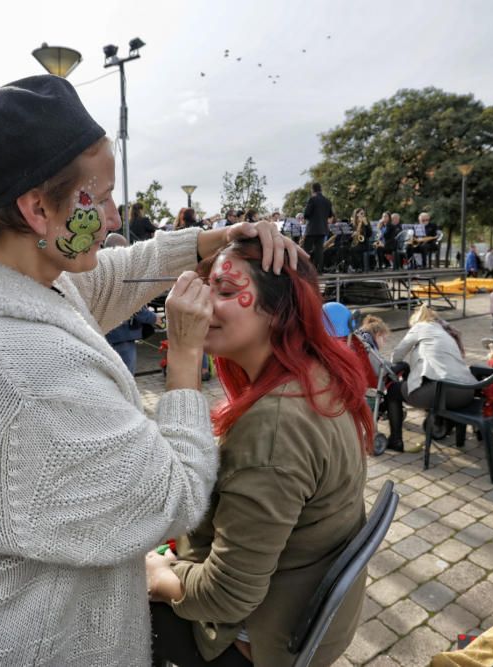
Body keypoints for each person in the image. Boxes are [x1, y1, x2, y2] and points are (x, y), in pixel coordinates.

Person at [0, 75, 303, 666]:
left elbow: (112, 272)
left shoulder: (15, 278)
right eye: (98, 198)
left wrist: (217, 238)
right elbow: (172, 496)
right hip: (2, 647)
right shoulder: (23, 373)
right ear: (37, 208)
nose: (111, 216)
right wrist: (183, 359)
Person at [146, 237, 370, 666]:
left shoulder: (275, 425)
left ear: (280, 313)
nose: (204, 303)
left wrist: (158, 576)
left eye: (226, 292)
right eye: (206, 286)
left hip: (256, 641)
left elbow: (225, 596)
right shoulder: (316, 374)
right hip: (299, 612)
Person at [385, 305, 476, 452]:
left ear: (416, 321)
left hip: (442, 391)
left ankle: (395, 440)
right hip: (465, 394)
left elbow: (397, 355)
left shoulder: (420, 327)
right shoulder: (446, 333)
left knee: (393, 391)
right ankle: (442, 423)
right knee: (429, 382)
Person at [103, 234, 161, 374]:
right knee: (127, 378)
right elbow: (134, 307)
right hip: (122, 335)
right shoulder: (122, 273)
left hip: (106, 334)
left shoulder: (102, 270)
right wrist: (154, 318)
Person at [302, 182, 333, 273]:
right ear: (321, 189)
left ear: (312, 190)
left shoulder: (312, 199)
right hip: (323, 229)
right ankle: (319, 270)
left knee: (306, 250)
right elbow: (330, 214)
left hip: (312, 229)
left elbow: (306, 214)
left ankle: (305, 270)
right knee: (319, 250)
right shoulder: (327, 201)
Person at [351, 207, 374, 272]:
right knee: (350, 248)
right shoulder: (353, 224)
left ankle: (359, 267)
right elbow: (349, 235)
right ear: (357, 214)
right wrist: (353, 234)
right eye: (361, 213)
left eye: (363, 213)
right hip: (356, 242)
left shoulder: (366, 222)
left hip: (365, 243)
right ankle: (354, 267)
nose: (363, 215)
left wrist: (366, 224)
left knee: (355, 249)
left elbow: (370, 234)